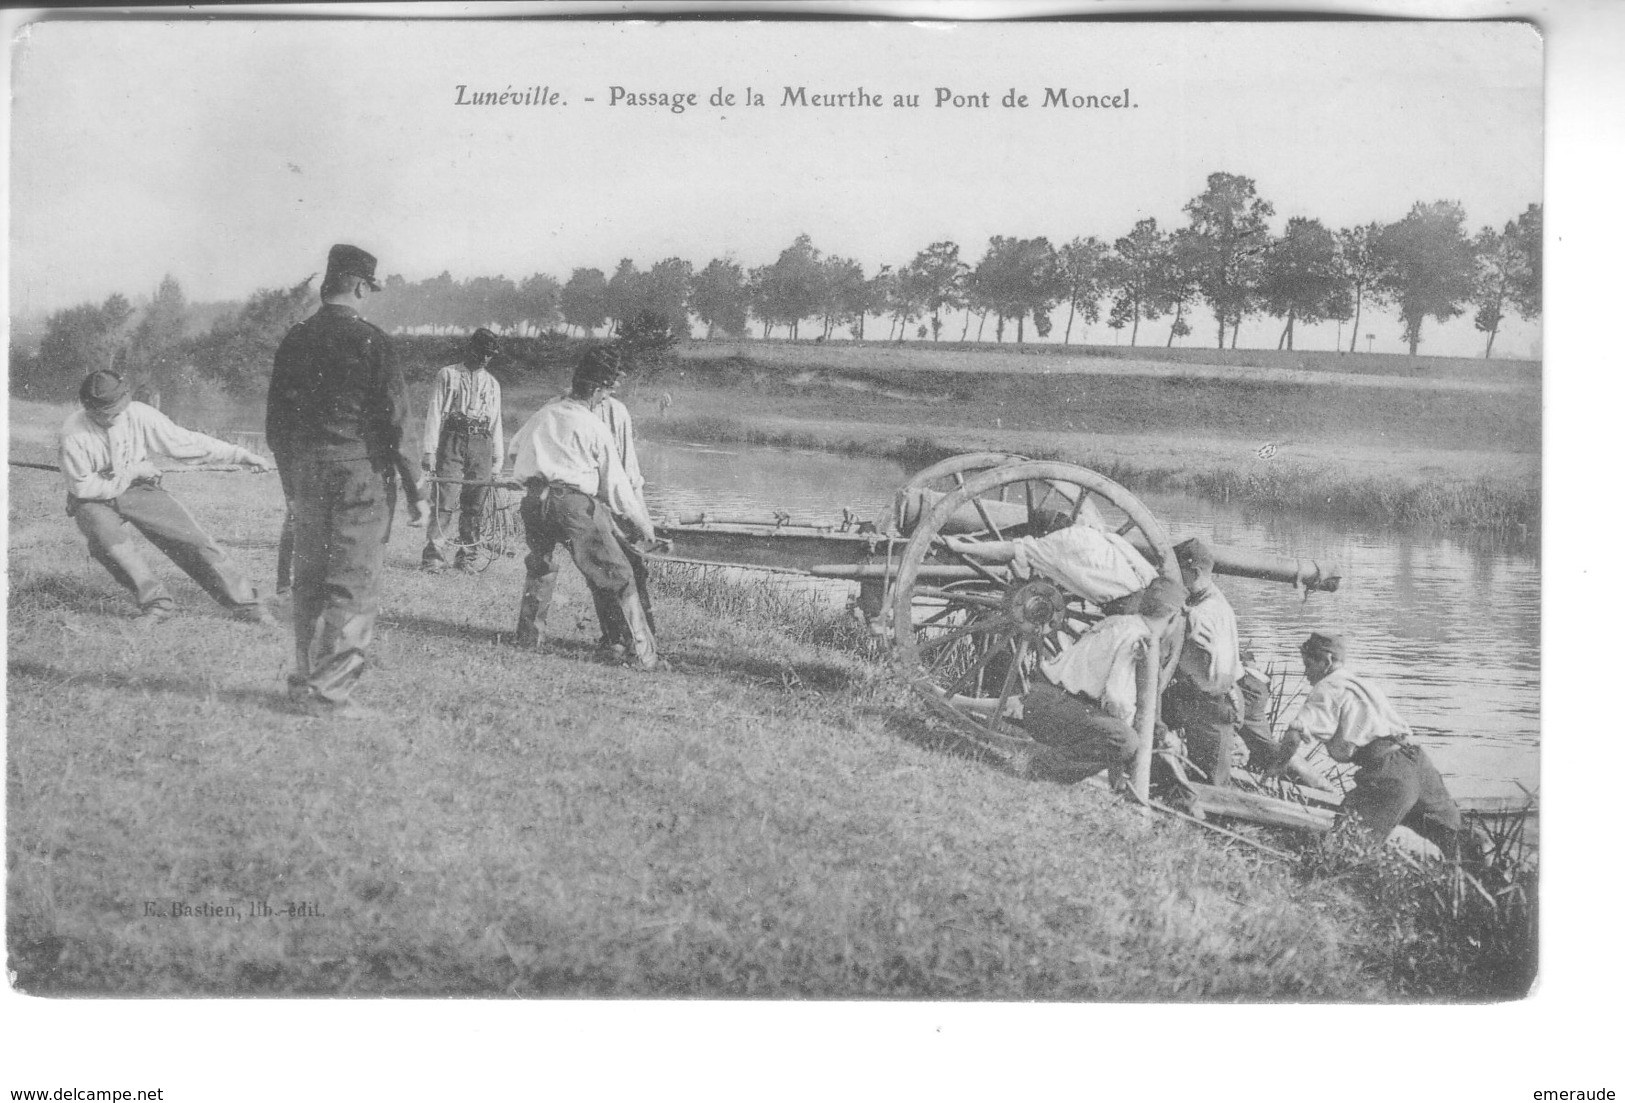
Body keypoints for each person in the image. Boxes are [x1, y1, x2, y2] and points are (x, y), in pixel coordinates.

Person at [266, 243, 413, 718]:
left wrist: (292, 482)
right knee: (353, 583)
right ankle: (330, 696)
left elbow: (276, 424)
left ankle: (303, 684)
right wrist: (418, 490)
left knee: (308, 581)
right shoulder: (373, 341)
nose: (368, 295)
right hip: (359, 477)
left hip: (307, 474)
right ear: (357, 286)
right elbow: (398, 423)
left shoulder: (296, 337)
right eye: (368, 287)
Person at [58, 370, 276, 625]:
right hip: (94, 497)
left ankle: (247, 605)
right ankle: (156, 604)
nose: (116, 419)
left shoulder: (138, 413)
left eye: (120, 411)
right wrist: (131, 471)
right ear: (88, 408)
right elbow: (83, 488)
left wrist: (240, 455)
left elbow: (183, 442)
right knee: (108, 544)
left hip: (139, 489)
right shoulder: (72, 433)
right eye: (107, 415)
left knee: (193, 539)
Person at [507, 348, 663, 670]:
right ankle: (643, 657)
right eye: (604, 393)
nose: (604, 399)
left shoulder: (545, 413)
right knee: (619, 574)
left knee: (541, 565)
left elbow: (513, 450)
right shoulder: (592, 425)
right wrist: (644, 527)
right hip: (572, 506)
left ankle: (526, 639)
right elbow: (617, 488)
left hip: (534, 503)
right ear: (595, 391)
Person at [955, 578, 1188, 784]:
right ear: (1173, 616)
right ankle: (1039, 768)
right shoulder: (1138, 639)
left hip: (1043, 701)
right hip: (1057, 710)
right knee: (1124, 740)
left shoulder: (1119, 622)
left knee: (1119, 735)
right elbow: (1118, 700)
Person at [1270, 632, 1477, 861]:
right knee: (1456, 838)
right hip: (1417, 761)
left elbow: (1293, 735)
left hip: (1388, 774)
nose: (1305, 672)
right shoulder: (1362, 684)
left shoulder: (1326, 688)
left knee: (1343, 847)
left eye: (1308, 664)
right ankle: (1486, 877)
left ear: (1326, 661)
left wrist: (1276, 769)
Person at [584, 347, 658, 659]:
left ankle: (646, 638)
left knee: (636, 567)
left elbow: (630, 471)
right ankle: (614, 637)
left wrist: (642, 517)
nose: (609, 391)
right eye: (606, 383)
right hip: (587, 504)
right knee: (604, 572)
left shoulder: (618, 412)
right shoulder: (563, 410)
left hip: (619, 501)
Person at [421, 327, 504, 573]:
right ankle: (433, 558)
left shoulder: (492, 383)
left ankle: (467, 557)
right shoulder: (447, 375)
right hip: (452, 439)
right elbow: (435, 411)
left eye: (490, 354)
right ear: (470, 348)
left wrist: (497, 459)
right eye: (481, 351)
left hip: (482, 442)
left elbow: (497, 421)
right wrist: (429, 450)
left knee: (475, 503)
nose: (485, 358)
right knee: (445, 499)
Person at [1162, 537, 1243, 787]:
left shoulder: (1204, 613)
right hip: (1201, 697)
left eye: (1178, 573)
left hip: (1212, 706)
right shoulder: (1212, 601)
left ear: (1195, 573)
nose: (1174, 579)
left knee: (1213, 781)